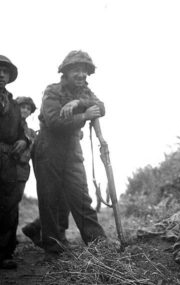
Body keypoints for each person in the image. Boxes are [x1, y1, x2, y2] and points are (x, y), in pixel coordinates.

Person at [32, 50, 107, 258]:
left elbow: (101, 107)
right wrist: (84, 115)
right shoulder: (52, 91)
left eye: (84, 70)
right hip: (48, 149)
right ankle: (53, 249)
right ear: (65, 72)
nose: (81, 74)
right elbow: (54, 122)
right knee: (50, 200)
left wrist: (79, 104)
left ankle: (99, 246)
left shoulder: (85, 93)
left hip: (72, 151)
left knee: (82, 198)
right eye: (76, 69)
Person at [0, 55, 28, 269]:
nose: (1, 74)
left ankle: (4, 253)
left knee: (8, 206)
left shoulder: (14, 103)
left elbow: (22, 130)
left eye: (5, 72)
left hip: (8, 160)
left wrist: (23, 139)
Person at [15, 96, 37, 199]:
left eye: (28, 109)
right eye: (22, 107)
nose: (25, 110)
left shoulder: (31, 133)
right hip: (6, 167)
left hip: (22, 171)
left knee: (15, 200)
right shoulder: (6, 125)